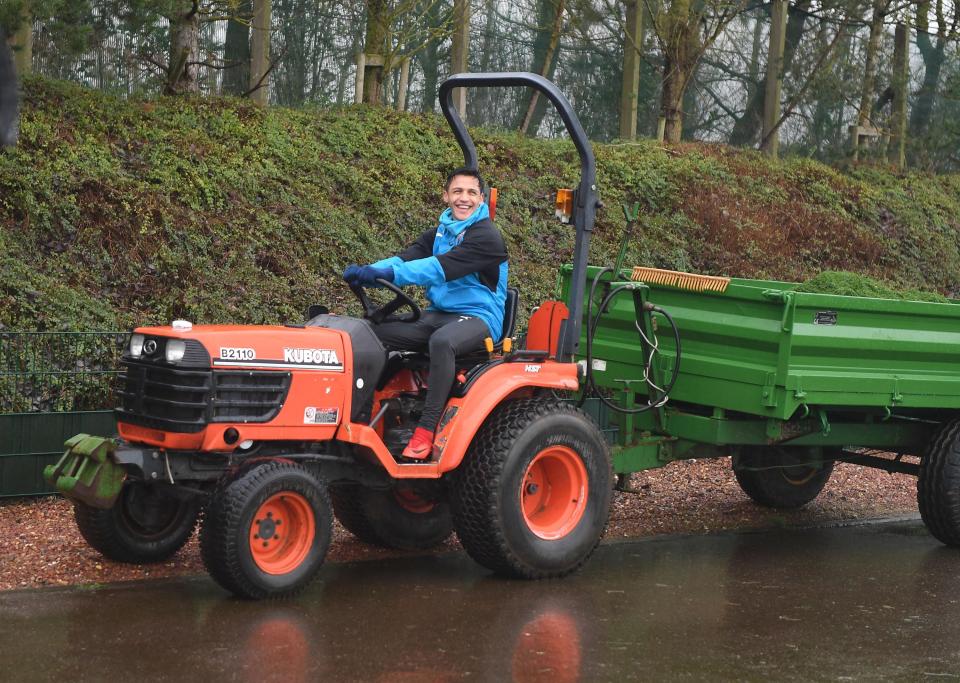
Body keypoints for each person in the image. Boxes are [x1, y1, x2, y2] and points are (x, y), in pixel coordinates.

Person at [343, 167, 508, 459]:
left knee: (442, 342)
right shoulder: (441, 232)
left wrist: (388, 273)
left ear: (481, 199)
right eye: (457, 191)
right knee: (370, 333)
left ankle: (426, 430)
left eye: (471, 192)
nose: (464, 198)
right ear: (446, 196)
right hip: (440, 313)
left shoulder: (486, 237)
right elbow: (406, 258)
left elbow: (437, 268)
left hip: (480, 317)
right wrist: (368, 270)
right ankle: (359, 415)